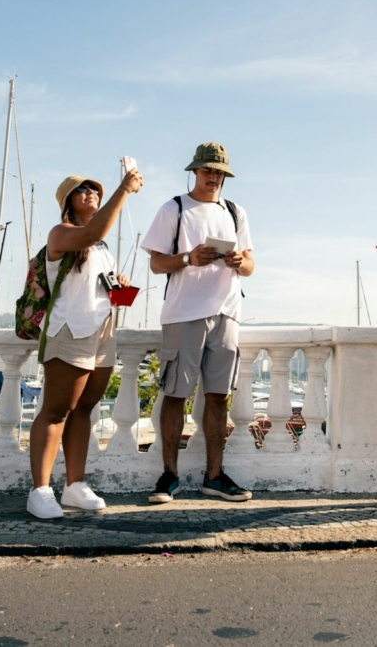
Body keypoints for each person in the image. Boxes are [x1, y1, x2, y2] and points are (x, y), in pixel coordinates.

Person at [140, 142, 255, 503]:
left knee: (219, 398)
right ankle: (169, 475)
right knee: (175, 395)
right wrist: (189, 258)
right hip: (183, 313)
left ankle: (214, 477)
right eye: (208, 170)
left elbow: (251, 266)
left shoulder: (235, 212)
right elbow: (156, 264)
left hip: (227, 312)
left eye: (219, 171)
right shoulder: (173, 208)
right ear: (194, 171)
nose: (213, 176)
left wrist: (239, 261)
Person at [25, 169, 143, 519]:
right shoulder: (60, 234)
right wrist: (124, 188)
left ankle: (74, 485)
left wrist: (117, 284)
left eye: (95, 188)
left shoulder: (102, 247)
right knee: (56, 410)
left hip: (101, 333)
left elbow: (94, 266)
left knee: (84, 411)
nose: (91, 192)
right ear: (68, 202)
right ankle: (40, 490)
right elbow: (92, 231)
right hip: (69, 330)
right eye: (83, 190)